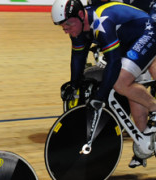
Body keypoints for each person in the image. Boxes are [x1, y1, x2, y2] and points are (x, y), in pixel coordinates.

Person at [52, 0, 156, 169]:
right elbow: (78, 59)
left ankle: (154, 108)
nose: (67, 30)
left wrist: (100, 97)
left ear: (80, 15)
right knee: (132, 97)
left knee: (120, 82)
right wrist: (74, 84)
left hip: (147, 33)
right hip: (128, 40)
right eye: (62, 26)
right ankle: (146, 139)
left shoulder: (101, 22)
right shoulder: (77, 28)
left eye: (68, 24)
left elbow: (114, 63)